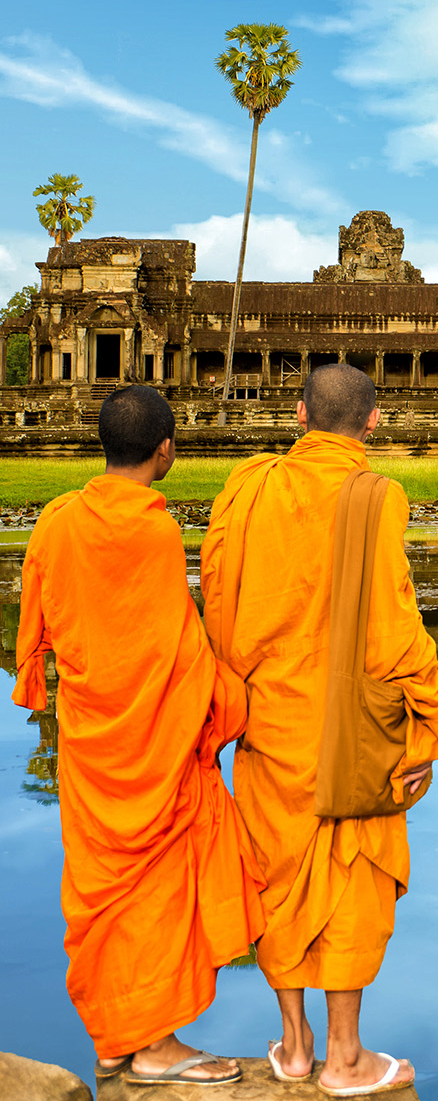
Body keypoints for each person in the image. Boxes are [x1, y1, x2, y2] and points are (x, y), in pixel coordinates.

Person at [201, 363, 438, 1097]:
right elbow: (392, 631)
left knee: (277, 871)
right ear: (373, 422)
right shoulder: (375, 496)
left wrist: (237, 692)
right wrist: (437, 717)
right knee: (350, 874)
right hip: (348, 732)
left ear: (298, 414)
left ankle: (293, 1041)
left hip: (268, 718)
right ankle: (345, 1056)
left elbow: (217, 599)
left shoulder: (248, 488)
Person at [11, 385, 264, 1087]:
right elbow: (175, 651)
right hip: (151, 746)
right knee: (155, 888)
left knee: (105, 891)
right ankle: (151, 1045)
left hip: (92, 740)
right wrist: (235, 698)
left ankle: (120, 1039)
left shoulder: (58, 521)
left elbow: (42, 624)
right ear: (166, 448)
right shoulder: (152, 532)